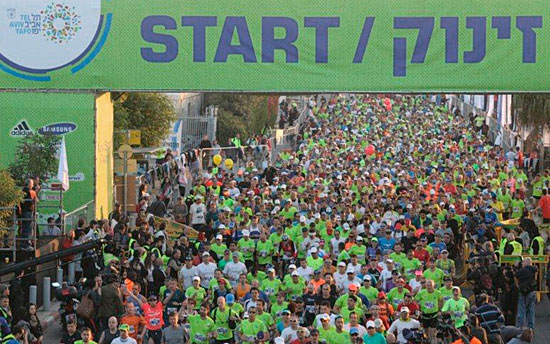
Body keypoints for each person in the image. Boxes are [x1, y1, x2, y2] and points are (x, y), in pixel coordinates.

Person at [516, 257, 537, 329]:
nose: (522, 263)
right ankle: (531, 327)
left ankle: (520, 327)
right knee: (531, 310)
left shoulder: (523, 271)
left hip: (523, 291)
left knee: (521, 309)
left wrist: (517, 267)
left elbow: (517, 275)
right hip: (532, 290)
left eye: (523, 262)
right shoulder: (534, 270)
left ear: (526, 263)